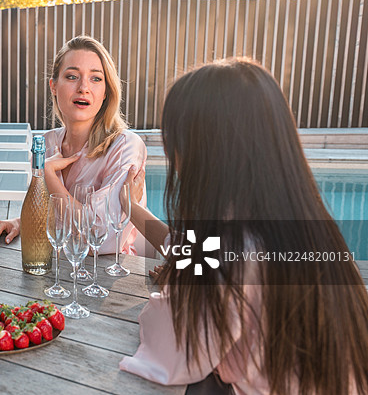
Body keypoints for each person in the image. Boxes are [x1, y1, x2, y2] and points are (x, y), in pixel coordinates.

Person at [119, 58, 368, 394]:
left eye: (176, 139)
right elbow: (193, 251)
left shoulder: (234, 247)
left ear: (208, 148)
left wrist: (171, 286)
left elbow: (170, 353)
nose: (173, 155)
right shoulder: (300, 225)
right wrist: (132, 208)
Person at [0, 36, 146, 252]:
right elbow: (49, 214)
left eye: (95, 79)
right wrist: (18, 223)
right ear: (54, 86)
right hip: (54, 270)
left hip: (105, 279)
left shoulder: (125, 146)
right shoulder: (47, 143)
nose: (83, 87)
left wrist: (49, 173)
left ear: (106, 92)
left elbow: (100, 237)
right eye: (72, 76)